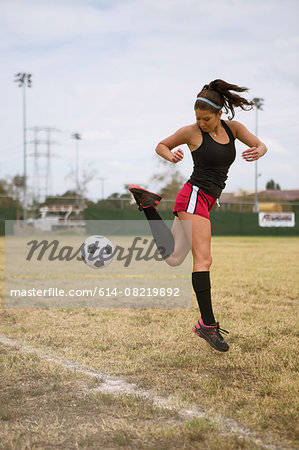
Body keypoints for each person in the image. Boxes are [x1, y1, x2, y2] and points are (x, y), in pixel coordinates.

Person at [129, 79, 267, 352]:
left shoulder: (235, 128)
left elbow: (260, 144)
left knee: (172, 258)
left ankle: (148, 207)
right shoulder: (191, 132)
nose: (201, 123)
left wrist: (259, 150)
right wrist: (169, 155)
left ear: (219, 114)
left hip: (204, 200)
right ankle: (208, 324)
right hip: (193, 196)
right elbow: (161, 144)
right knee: (204, 259)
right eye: (197, 118)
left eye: (206, 118)